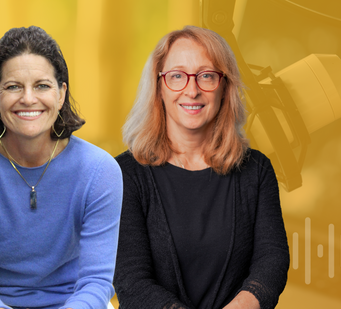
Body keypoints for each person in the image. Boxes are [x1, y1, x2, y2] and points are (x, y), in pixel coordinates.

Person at [0, 26, 123, 309]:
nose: (28, 99)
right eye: (13, 86)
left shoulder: (100, 171)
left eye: (42, 85)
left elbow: (96, 283)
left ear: (61, 94)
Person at [113, 26, 289, 309]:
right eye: (177, 76)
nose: (191, 90)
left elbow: (272, 260)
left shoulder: (257, 171)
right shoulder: (123, 174)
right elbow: (130, 280)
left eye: (206, 75)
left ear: (224, 87)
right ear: (158, 86)